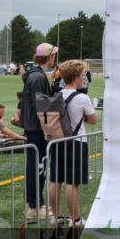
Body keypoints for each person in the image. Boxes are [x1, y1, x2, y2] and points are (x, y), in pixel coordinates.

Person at [48, 60, 97, 226]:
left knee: (55, 180)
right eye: (82, 75)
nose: (84, 78)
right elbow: (92, 119)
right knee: (72, 183)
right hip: (76, 142)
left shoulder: (56, 95)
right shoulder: (82, 97)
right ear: (76, 78)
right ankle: (75, 218)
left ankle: (55, 216)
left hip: (57, 141)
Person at [21, 43, 58, 219]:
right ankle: (35, 205)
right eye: (54, 55)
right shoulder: (37, 77)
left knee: (36, 165)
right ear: (49, 57)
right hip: (38, 128)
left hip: (35, 127)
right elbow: (42, 106)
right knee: (38, 165)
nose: (55, 58)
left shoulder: (37, 75)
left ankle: (33, 203)